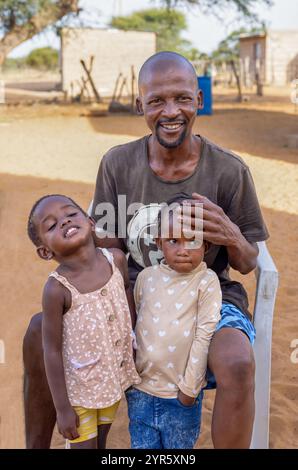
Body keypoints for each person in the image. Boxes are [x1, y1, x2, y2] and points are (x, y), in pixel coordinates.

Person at [23, 51, 269, 449]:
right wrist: (72, 234)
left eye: (182, 98)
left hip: (208, 296)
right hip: (132, 298)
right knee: (39, 331)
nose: (170, 111)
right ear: (141, 105)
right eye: (156, 100)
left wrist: (230, 234)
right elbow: (107, 243)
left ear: (199, 100)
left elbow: (247, 262)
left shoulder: (228, 170)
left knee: (238, 362)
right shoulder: (118, 164)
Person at [26, 194, 140, 449]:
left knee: (100, 442)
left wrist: (131, 337)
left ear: (90, 221)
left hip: (111, 379)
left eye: (70, 214)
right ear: (45, 251)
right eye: (52, 225)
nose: (65, 222)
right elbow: (52, 352)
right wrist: (63, 408)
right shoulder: (57, 289)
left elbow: (126, 291)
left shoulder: (115, 259)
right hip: (78, 392)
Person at [126, 193, 221, 449]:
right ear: (158, 243)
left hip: (179, 397)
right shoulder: (146, 277)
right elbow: (138, 327)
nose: (182, 250)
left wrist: (189, 392)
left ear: (207, 245)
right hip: (141, 392)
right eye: (173, 240)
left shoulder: (206, 281)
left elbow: (204, 335)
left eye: (192, 240)